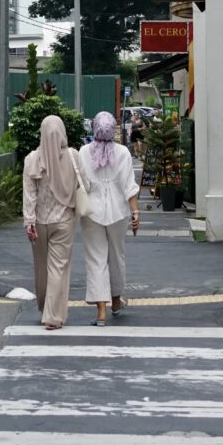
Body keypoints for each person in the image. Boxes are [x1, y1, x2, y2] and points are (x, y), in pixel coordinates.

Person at [78, 110, 140, 326]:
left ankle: (101, 312)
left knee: (96, 259)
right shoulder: (123, 152)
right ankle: (115, 302)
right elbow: (129, 186)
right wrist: (136, 213)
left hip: (91, 212)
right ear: (113, 129)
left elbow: (82, 184)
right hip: (118, 212)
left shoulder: (84, 152)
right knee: (116, 256)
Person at [22, 115, 77, 330]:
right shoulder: (72, 156)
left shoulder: (32, 159)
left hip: (39, 221)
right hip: (64, 220)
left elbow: (29, 194)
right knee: (58, 268)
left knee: (41, 268)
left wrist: (29, 221)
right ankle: (52, 315)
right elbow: (84, 183)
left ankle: (45, 306)